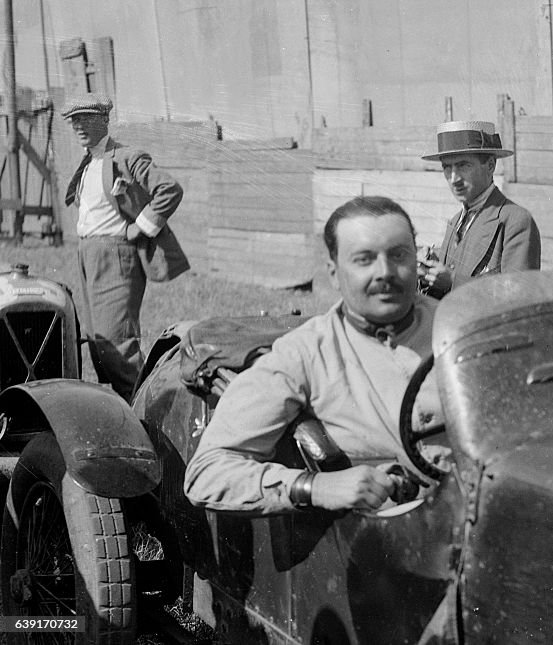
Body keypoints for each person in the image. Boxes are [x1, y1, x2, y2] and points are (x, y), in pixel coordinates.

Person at [184, 196, 438, 515]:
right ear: (333, 273)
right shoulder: (303, 354)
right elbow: (207, 472)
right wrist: (313, 487)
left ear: (418, 260)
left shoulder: (463, 328)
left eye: (398, 255)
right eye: (364, 259)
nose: (385, 272)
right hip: (393, 539)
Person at [62, 93, 185, 401]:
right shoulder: (88, 163)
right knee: (97, 342)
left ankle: (150, 415)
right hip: (88, 256)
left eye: (87, 118)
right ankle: (126, 411)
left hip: (116, 255)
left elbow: (169, 189)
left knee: (117, 344)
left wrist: (140, 228)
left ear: (105, 120)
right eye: (75, 120)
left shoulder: (127, 157)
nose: (79, 126)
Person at [418, 120, 541, 298]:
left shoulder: (515, 220)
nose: (454, 178)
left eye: (463, 165)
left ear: (490, 165)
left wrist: (453, 280)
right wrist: (427, 274)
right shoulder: (455, 222)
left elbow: (520, 296)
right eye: (447, 167)